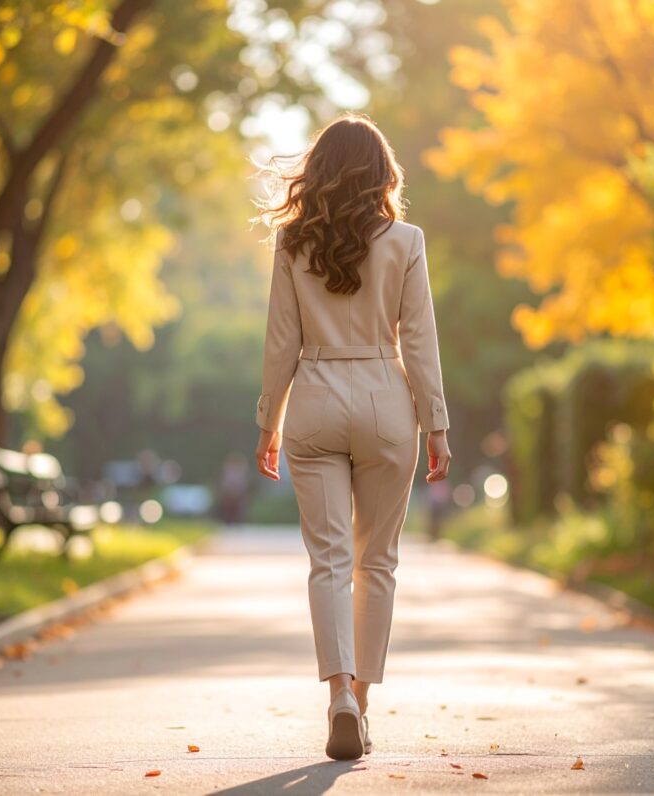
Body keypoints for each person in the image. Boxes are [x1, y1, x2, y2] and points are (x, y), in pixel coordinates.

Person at [253, 114, 452, 761]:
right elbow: (418, 340)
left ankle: (338, 692)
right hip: (386, 402)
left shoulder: (291, 243)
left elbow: (282, 342)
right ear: (381, 174)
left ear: (319, 173)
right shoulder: (408, 240)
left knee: (330, 561)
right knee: (378, 563)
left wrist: (268, 423)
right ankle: (362, 703)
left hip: (313, 398)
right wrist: (438, 424)